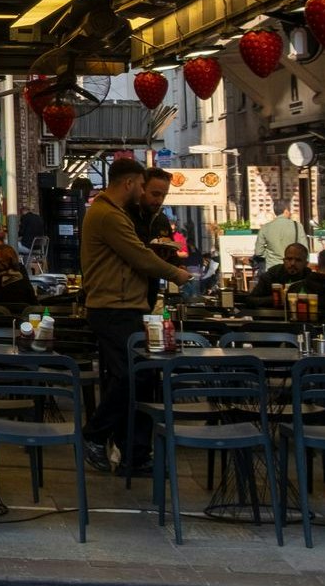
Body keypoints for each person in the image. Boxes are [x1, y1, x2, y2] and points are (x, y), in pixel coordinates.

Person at [79, 158, 191, 473]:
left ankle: (132, 453)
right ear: (130, 183)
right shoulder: (108, 215)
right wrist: (176, 274)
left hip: (127, 304)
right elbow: (138, 256)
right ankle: (94, 435)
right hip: (114, 307)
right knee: (133, 375)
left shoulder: (110, 213)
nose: (145, 194)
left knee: (136, 377)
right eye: (143, 186)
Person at [132, 169, 179, 306]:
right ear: (142, 189)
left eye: (163, 196)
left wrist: (179, 266)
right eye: (155, 194)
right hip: (125, 298)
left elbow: (172, 257)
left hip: (150, 295)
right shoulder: (126, 217)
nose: (159, 201)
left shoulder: (162, 220)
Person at [244, 244, 311, 308]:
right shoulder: (272, 275)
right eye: (289, 259)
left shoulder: (310, 278)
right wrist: (277, 299)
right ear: (284, 260)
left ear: (306, 263)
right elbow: (250, 300)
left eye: (298, 260)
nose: (292, 263)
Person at [255, 200, 302, 277]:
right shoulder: (297, 226)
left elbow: (258, 252)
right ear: (286, 211)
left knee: (274, 288)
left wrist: (270, 255)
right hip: (292, 268)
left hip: (272, 268)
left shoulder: (265, 227)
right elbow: (304, 249)